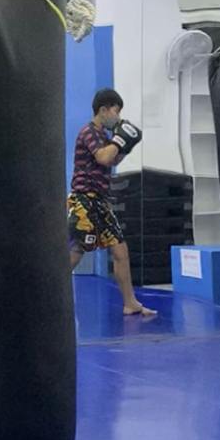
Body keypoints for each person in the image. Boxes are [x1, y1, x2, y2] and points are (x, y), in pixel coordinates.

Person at [67, 88, 155, 317]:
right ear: (104, 110)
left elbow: (113, 160)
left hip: (101, 201)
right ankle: (44, 295)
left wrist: (126, 146)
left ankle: (130, 303)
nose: (118, 117)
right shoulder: (88, 131)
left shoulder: (103, 136)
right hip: (84, 199)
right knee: (77, 249)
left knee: (120, 250)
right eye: (116, 112)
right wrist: (119, 139)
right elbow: (104, 157)